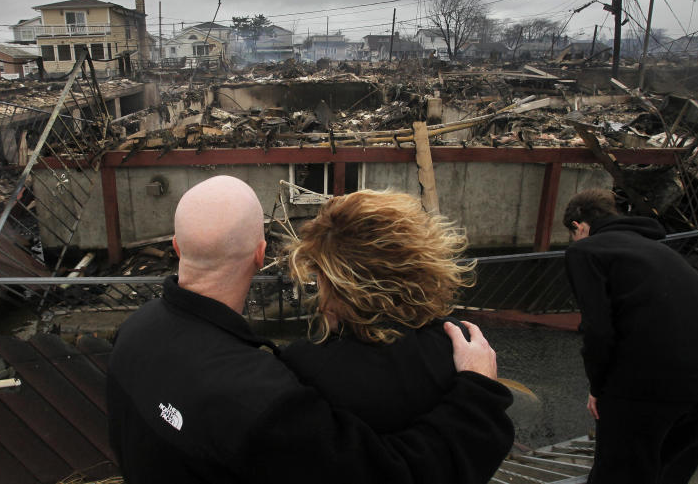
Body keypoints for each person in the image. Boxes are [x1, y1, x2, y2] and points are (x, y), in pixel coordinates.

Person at [107, 175, 515, 484]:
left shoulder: (133, 332)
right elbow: (396, 474)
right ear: (260, 253)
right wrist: (479, 393)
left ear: (176, 247)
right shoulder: (263, 397)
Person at [280, 189, 514, 452]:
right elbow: (488, 441)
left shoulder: (304, 366)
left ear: (339, 284)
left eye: (319, 277)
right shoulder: (459, 345)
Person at [562, 188, 698, 484]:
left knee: (618, 476)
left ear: (579, 226)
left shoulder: (586, 250)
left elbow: (598, 329)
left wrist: (598, 387)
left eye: (573, 234)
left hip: (648, 386)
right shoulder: (663, 252)